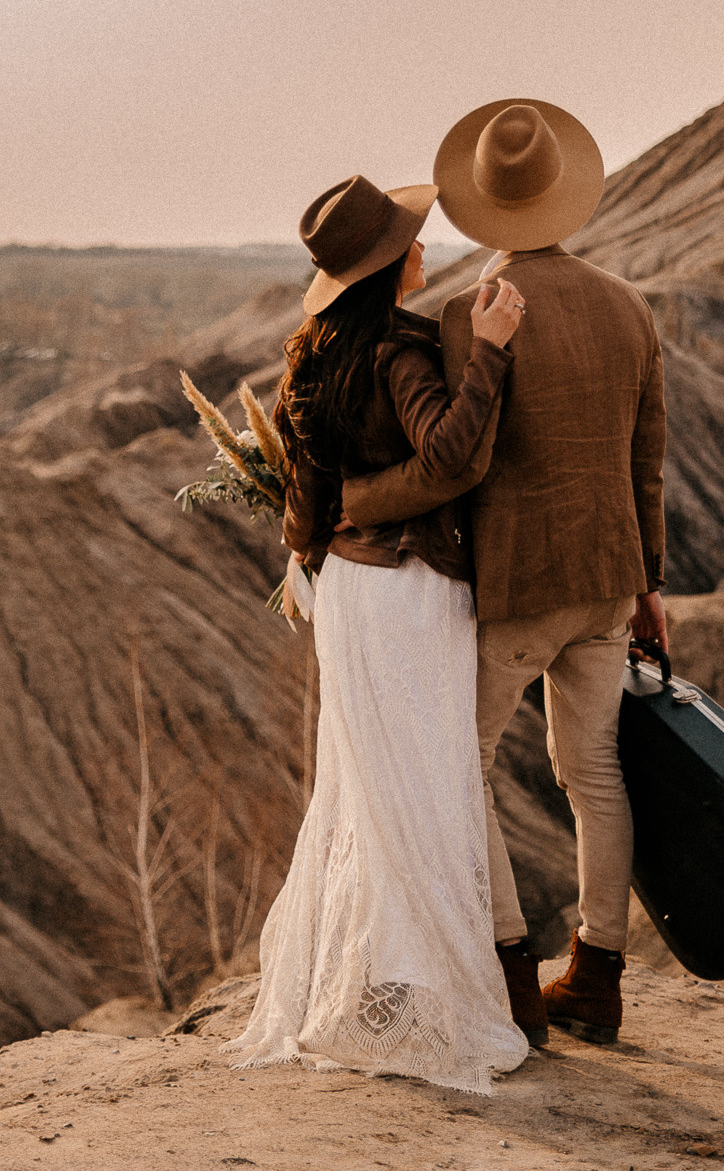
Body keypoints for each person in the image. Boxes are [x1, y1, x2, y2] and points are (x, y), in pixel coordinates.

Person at [340, 99, 668, 1047]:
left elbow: (460, 457)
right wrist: (649, 585)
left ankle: (513, 971)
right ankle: (597, 974)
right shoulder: (630, 306)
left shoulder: (465, 318)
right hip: (610, 579)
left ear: (486, 209)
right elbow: (648, 459)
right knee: (594, 772)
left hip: (521, 584)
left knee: (463, 766)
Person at [225, 173, 531, 1093]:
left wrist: (311, 550)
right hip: (411, 590)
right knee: (430, 781)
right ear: (391, 265)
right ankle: (430, 989)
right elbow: (446, 456)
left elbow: (302, 509)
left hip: (348, 597)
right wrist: (493, 354)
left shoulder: (309, 356)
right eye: (414, 240)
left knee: (365, 787)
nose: (426, 248)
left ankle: (376, 986)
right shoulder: (401, 352)